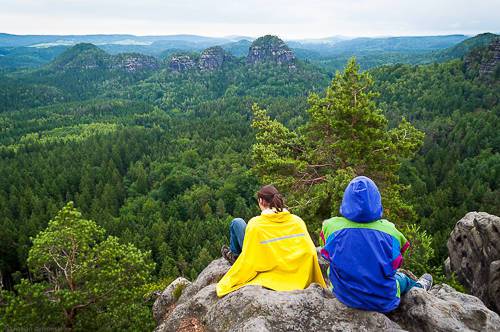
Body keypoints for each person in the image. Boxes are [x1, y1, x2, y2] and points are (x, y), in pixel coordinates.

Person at [319, 176, 433, 313]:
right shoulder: (391, 231)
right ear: (376, 200)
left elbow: (325, 250)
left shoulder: (330, 226)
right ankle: (419, 287)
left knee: (332, 268)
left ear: (346, 200)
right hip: (383, 301)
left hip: (344, 296)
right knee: (403, 280)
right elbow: (397, 259)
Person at [216, 185, 326, 297]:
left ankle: (234, 256)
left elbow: (250, 257)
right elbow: (310, 251)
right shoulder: (297, 221)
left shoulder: (255, 224)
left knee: (237, 223)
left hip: (268, 264)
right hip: (297, 271)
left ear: (261, 201)